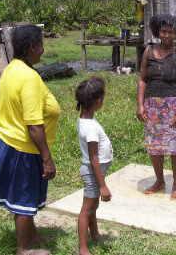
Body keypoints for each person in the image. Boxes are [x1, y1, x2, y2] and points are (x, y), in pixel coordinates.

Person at [0, 25, 61, 255]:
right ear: (31, 47)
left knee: (21, 196)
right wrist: (47, 158)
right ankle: (23, 249)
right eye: (40, 46)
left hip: (7, 140)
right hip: (23, 147)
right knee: (25, 198)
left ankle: (31, 235)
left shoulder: (12, 68)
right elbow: (34, 125)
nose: (43, 51)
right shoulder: (29, 78)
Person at [137, 14, 176, 199]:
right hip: (153, 106)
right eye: (163, 31)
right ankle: (159, 180)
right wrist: (140, 105)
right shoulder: (148, 51)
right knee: (155, 146)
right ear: (158, 32)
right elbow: (143, 79)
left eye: (170, 32)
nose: (167, 35)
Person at [75, 77, 113, 255]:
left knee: (93, 207)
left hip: (95, 172)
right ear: (98, 101)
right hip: (93, 172)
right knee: (87, 209)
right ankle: (83, 248)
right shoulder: (90, 127)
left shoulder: (85, 119)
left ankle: (95, 234)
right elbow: (94, 157)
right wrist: (103, 185)